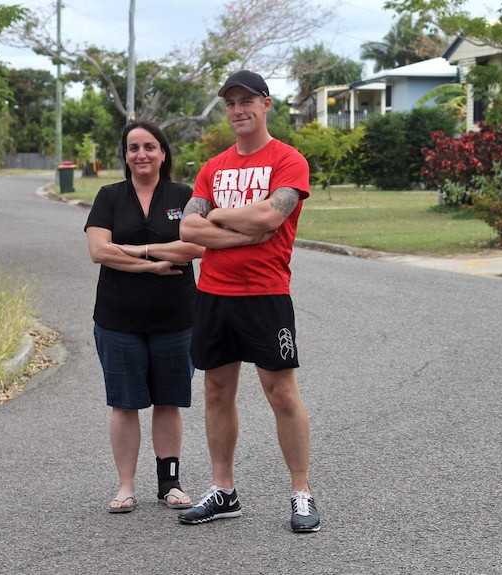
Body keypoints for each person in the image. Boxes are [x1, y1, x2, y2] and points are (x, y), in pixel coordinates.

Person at [177, 70, 320, 532]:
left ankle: (301, 493)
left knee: (281, 393)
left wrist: (219, 218)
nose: (238, 110)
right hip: (213, 296)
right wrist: (243, 230)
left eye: (246, 101)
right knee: (217, 391)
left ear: (266, 104)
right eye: (230, 103)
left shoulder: (288, 160)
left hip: (266, 296)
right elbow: (187, 229)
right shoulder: (212, 167)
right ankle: (224, 490)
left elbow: (270, 215)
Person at [85, 120, 205, 514]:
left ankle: (169, 484)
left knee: (169, 401)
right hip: (118, 319)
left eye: (149, 146)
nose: (141, 154)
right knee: (125, 403)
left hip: (177, 319)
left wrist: (136, 250)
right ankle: (125, 486)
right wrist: (150, 266)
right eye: (133, 147)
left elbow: (195, 248)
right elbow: (100, 251)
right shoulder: (109, 196)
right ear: (125, 155)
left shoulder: (184, 195)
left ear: (163, 152)